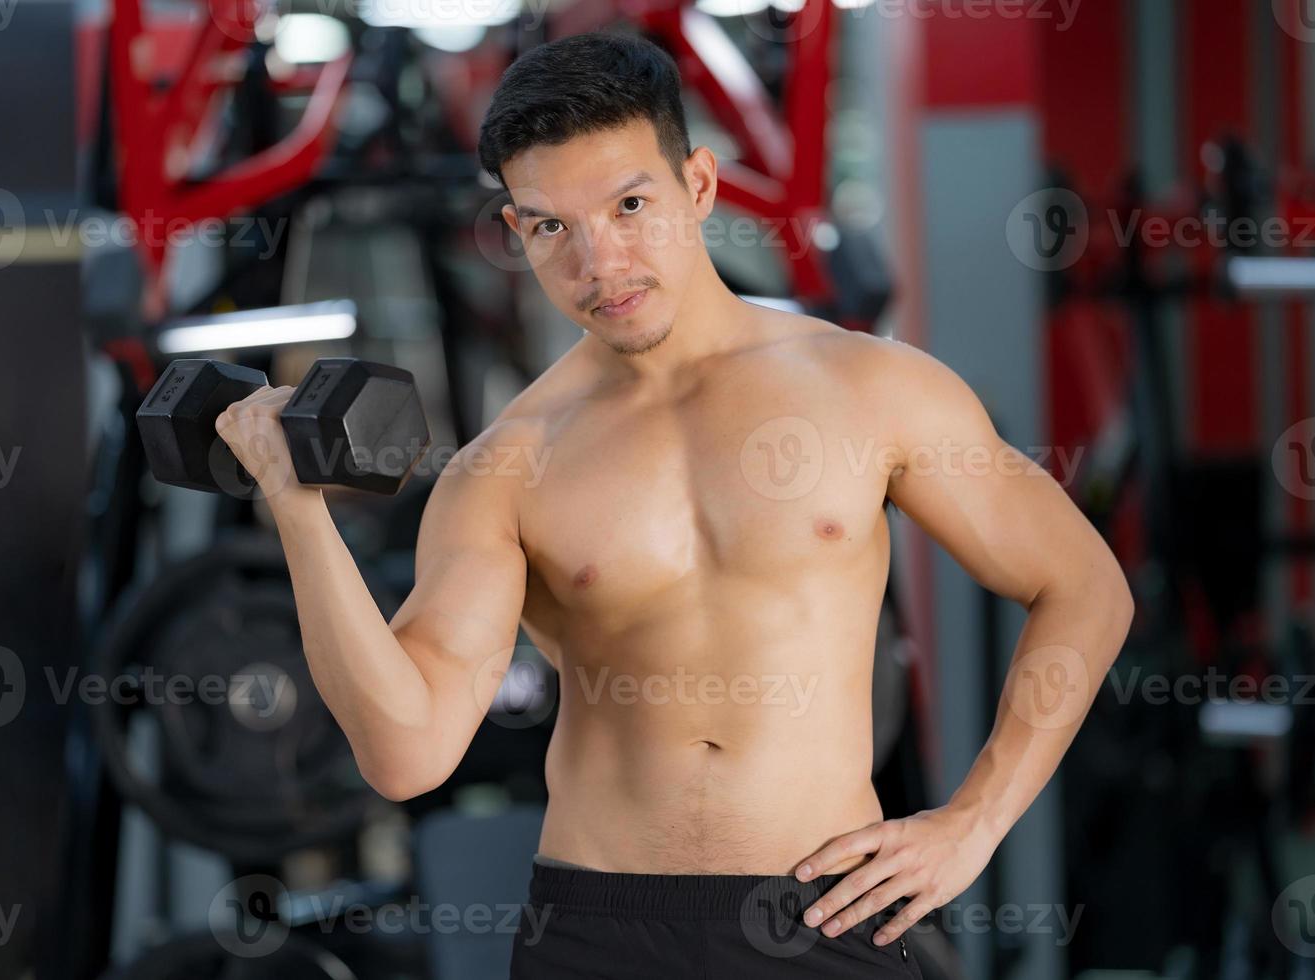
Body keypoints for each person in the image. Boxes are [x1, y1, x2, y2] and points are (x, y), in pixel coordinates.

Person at [214, 30, 1133, 980]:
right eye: (550, 227)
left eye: (630, 205)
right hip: (597, 929)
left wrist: (972, 824)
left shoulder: (874, 390)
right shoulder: (505, 467)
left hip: (829, 911)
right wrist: (299, 512)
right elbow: (406, 755)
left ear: (698, 185)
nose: (598, 263)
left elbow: (1084, 587)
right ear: (516, 230)